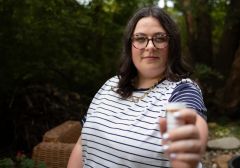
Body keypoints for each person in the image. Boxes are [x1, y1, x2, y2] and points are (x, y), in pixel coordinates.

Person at [68, 6, 208, 168]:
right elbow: (81, 145)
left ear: (172, 45)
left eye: (160, 38)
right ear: (130, 45)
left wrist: (191, 145)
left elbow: (193, 122)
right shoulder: (110, 85)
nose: (150, 46)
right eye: (141, 38)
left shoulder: (182, 90)